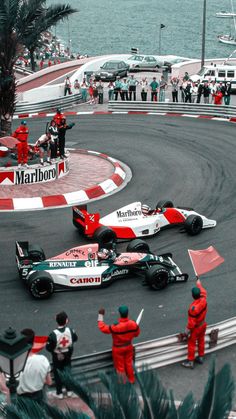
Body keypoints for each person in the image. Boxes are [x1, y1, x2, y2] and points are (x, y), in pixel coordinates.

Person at [97, 305, 140, 383]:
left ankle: (123, 382)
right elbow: (136, 334)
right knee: (129, 364)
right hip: (129, 346)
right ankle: (131, 380)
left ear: (119, 314)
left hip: (118, 349)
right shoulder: (133, 324)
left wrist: (100, 316)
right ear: (128, 313)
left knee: (120, 367)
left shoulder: (115, 326)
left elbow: (102, 328)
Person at [46, 311, 78, 399]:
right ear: (66, 321)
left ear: (56, 321)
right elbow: (75, 339)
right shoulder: (71, 330)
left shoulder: (53, 334)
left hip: (57, 356)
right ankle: (69, 391)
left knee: (57, 373)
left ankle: (59, 393)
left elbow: (48, 347)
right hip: (68, 354)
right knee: (67, 371)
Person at [17, 329, 52, 403]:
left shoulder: (13, 363)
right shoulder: (43, 360)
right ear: (33, 343)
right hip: (38, 397)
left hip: (21, 399)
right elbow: (49, 382)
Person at [181, 278, 207, 369]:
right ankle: (200, 356)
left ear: (192, 296)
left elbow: (191, 324)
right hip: (203, 324)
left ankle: (190, 361)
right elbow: (203, 291)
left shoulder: (193, 308)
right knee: (201, 340)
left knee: (191, 343)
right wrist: (199, 283)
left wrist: (186, 333)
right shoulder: (203, 299)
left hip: (196, 328)